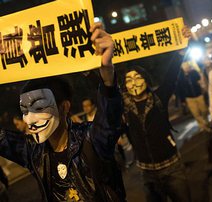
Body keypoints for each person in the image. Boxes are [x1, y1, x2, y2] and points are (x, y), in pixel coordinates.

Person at [0, 23, 126, 201]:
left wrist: (107, 75)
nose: (30, 119)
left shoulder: (91, 139)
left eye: (38, 108)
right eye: (24, 111)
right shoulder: (33, 152)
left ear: (64, 107)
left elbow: (111, 116)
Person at [120, 28, 191, 202]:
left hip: (172, 167)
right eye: (129, 80)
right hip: (146, 172)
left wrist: (181, 49)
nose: (134, 83)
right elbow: (106, 90)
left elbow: (171, 75)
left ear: (146, 80)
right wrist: (89, 69)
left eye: (138, 78)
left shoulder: (159, 97)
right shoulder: (124, 104)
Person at [178, 61, 209, 132]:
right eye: (185, 67)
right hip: (189, 98)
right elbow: (179, 89)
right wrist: (182, 100)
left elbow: (199, 80)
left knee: (204, 110)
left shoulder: (194, 72)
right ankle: (202, 126)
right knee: (196, 113)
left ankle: (206, 121)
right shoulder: (180, 77)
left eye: (187, 66)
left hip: (198, 94)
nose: (187, 68)